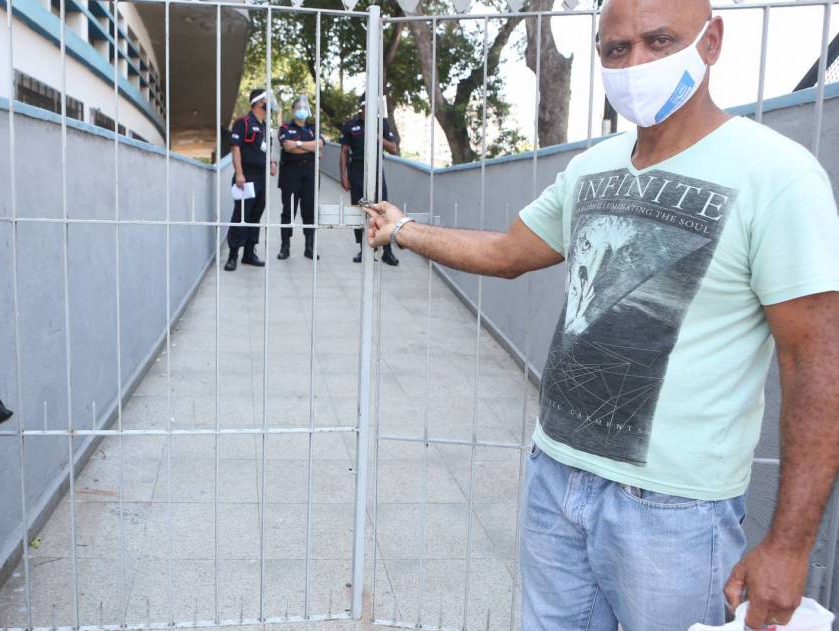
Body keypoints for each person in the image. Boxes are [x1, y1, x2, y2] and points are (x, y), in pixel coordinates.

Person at [362, 1, 839, 629]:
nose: (635, 62)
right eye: (616, 49)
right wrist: (404, 231)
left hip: (674, 510)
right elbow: (508, 253)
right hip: (556, 477)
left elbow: (816, 362)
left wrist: (789, 545)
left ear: (712, 41)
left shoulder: (778, 175)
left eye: (658, 41)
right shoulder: (591, 167)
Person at [340, 94, 400, 265]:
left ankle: (387, 251)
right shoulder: (351, 125)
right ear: (362, 107)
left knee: (383, 209)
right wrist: (343, 175)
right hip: (357, 171)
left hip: (376, 172)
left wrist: (377, 136)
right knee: (361, 210)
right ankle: (363, 249)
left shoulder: (382, 123)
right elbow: (344, 151)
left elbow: (393, 148)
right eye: (366, 107)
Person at [225, 89, 278, 272]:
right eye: (266, 100)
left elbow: (266, 150)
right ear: (258, 102)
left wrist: (271, 162)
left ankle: (249, 253)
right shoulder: (243, 123)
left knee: (255, 216)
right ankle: (233, 256)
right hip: (246, 176)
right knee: (241, 216)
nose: (269, 104)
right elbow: (236, 148)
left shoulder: (265, 126)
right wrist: (239, 173)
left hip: (261, 177)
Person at [277, 95, 324, 260]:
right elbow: (287, 148)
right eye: (298, 108)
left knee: (309, 210)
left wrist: (297, 144)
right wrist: (309, 147)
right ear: (292, 110)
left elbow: (319, 145)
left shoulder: (314, 128)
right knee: (288, 211)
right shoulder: (284, 128)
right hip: (291, 173)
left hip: (310, 172)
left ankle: (309, 247)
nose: (302, 110)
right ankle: (285, 246)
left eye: (304, 107)